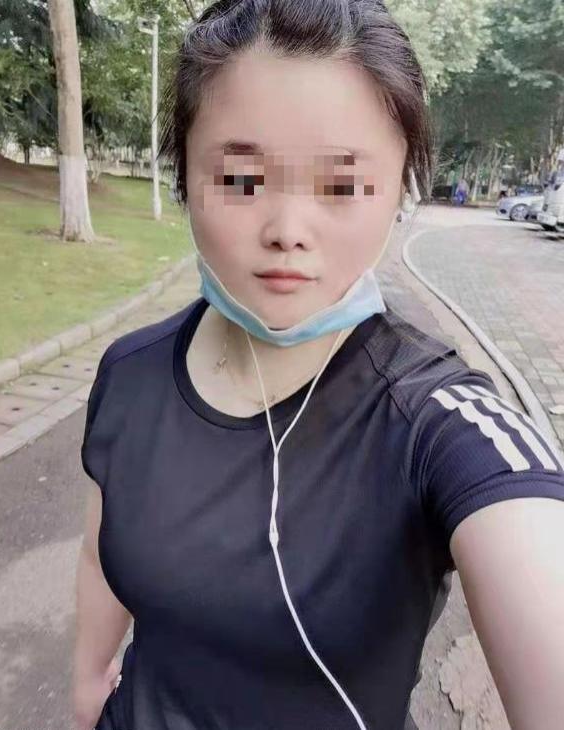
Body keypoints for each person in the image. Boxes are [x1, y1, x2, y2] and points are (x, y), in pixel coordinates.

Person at [73, 2, 564, 729]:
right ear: (185, 176)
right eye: (241, 180)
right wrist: (87, 683)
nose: (287, 231)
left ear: (399, 191)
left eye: (341, 187)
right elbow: (100, 551)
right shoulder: (129, 373)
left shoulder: (438, 422)